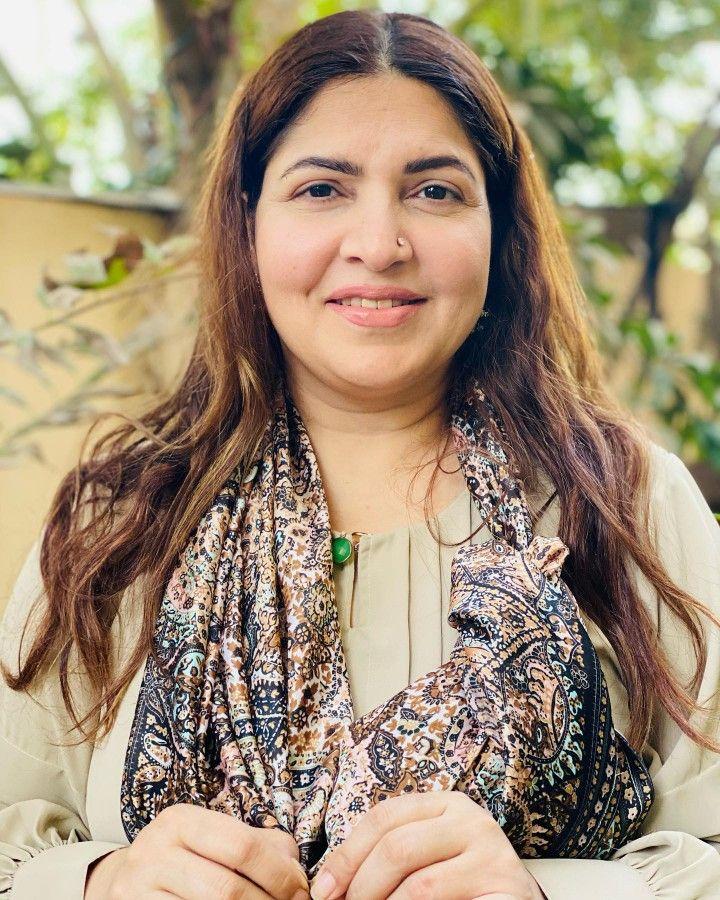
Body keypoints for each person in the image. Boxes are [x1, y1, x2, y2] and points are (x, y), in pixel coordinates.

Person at [2, 9, 720, 900]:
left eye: (435, 191)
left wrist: (548, 893)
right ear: (247, 221)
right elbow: (13, 846)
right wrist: (101, 883)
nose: (379, 245)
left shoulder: (620, 501)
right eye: (321, 189)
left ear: (500, 230)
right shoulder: (120, 520)